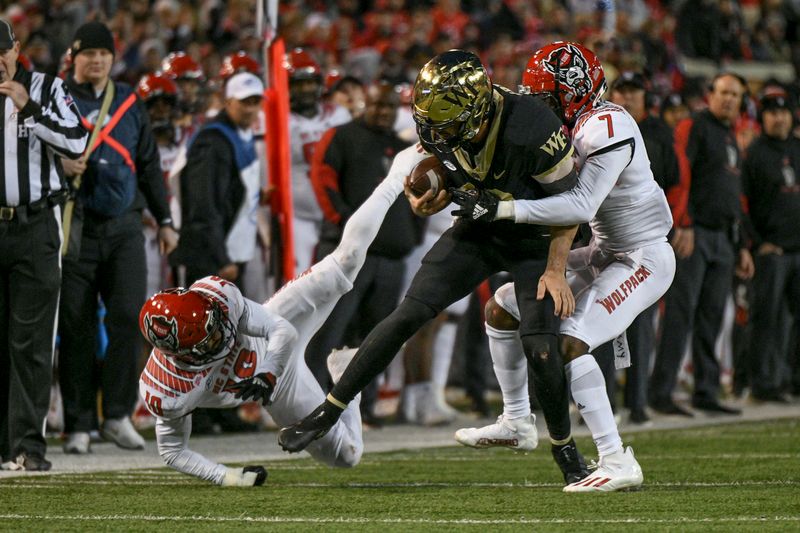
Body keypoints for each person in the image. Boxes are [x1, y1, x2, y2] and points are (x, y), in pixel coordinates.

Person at [280, 49, 591, 486]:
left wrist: (555, 269)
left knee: (539, 346)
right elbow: (444, 172)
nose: (433, 132)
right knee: (409, 312)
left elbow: (574, 205)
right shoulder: (444, 122)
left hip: (536, 236)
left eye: (444, 124)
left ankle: (566, 451)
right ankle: (328, 411)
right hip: (481, 228)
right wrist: (430, 196)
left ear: (477, 111)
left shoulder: (532, 126)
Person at [138, 140, 429, 486]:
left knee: (348, 258)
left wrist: (268, 371)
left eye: (215, 324)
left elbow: (282, 330)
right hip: (276, 387)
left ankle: (396, 174)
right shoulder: (168, 390)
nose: (221, 334)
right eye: (211, 338)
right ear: (184, 354)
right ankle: (347, 377)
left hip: (270, 336)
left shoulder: (215, 296)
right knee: (348, 456)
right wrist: (229, 477)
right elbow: (172, 451)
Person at [453, 42, 675, 492]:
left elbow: (580, 203)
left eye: (547, 97)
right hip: (603, 252)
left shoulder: (607, 124)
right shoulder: (576, 125)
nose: (541, 106)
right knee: (501, 308)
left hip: (643, 256)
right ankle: (517, 421)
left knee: (570, 341)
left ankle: (616, 458)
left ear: (574, 91)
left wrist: (503, 210)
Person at [57, 21, 179, 455]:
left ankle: (118, 415)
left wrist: (164, 218)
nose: (97, 60)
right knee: (77, 326)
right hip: (77, 225)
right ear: (75, 56)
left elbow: (148, 164)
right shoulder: (57, 98)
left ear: (113, 58)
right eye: (89, 53)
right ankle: (79, 423)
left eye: (104, 54)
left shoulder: (129, 101)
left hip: (125, 226)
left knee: (128, 316)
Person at [0, 18, 88, 471]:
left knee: (30, 342)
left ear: (16, 48)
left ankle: (27, 447)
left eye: (3, 51)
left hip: (34, 225)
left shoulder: (46, 88)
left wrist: (28, 107)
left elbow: (78, 139)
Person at [305, 81, 418, 425]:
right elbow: (322, 179)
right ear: (363, 104)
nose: (383, 113)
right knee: (331, 330)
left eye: (389, 107)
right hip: (350, 254)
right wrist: (344, 225)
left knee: (374, 339)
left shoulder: (400, 146)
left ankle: (361, 408)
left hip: (391, 257)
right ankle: (311, 403)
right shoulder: (341, 136)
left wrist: (410, 235)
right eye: (377, 106)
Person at [649, 72, 755, 417]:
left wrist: (740, 244)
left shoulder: (729, 134)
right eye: (722, 92)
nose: (727, 99)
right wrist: (684, 223)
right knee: (680, 313)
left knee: (711, 316)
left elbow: (731, 193)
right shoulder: (693, 126)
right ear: (710, 94)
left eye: (734, 95)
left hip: (723, 237)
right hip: (695, 234)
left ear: (741, 101)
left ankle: (706, 389)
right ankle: (661, 390)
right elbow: (680, 179)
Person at [609, 71, 680, 424]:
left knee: (640, 322)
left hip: (645, 242)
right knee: (603, 320)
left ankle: (637, 403)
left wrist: (680, 225)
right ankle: (605, 403)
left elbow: (675, 182)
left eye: (634, 91)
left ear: (644, 97)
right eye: (622, 90)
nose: (628, 97)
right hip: (605, 240)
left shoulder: (657, 133)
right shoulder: (599, 129)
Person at [171, 72, 263, 289]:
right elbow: (203, 204)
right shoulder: (213, 142)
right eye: (244, 102)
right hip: (211, 255)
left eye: (255, 102)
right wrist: (221, 258)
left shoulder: (238, 133)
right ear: (228, 102)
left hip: (227, 247)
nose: (250, 109)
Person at [743, 91, 800, 403]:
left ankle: (793, 380)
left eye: (784, 112)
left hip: (798, 249)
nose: (779, 117)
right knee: (767, 318)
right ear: (763, 118)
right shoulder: (754, 153)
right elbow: (742, 204)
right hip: (772, 250)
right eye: (772, 113)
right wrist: (758, 243)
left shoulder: (798, 147)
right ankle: (763, 383)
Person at [286, 48, 351, 273]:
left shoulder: (339, 115)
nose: (306, 89)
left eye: (310, 83)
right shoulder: (280, 121)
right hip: (298, 217)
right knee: (296, 281)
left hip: (334, 216)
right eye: (298, 84)